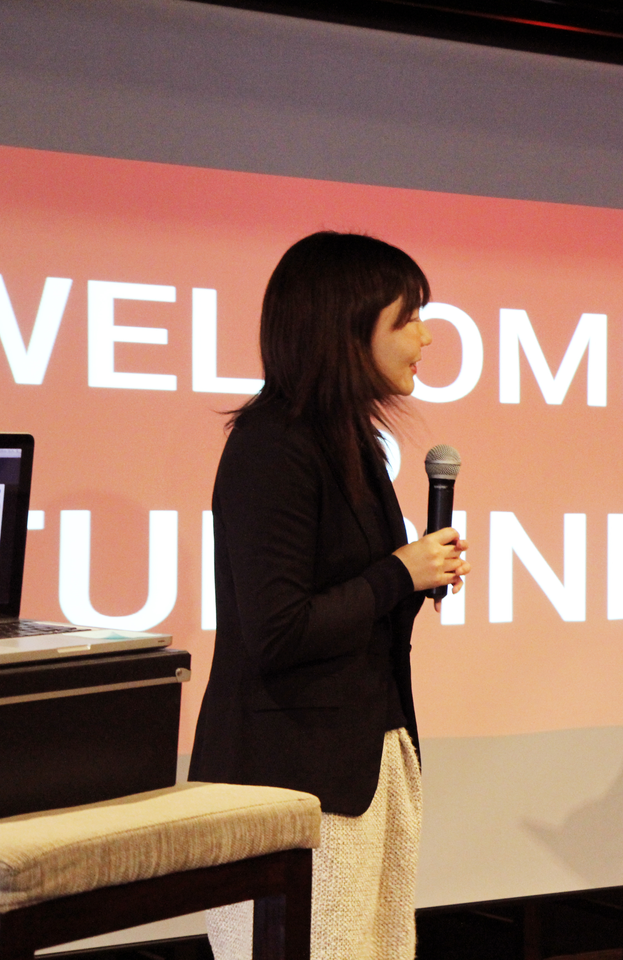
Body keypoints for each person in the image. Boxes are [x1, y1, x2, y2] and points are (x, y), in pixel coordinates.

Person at [189, 231, 470, 960]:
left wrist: (415, 578)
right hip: (290, 783)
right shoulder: (271, 445)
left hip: (364, 765)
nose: (426, 337)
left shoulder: (349, 440)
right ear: (348, 329)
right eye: (408, 318)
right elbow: (278, 629)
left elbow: (351, 602)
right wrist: (398, 574)